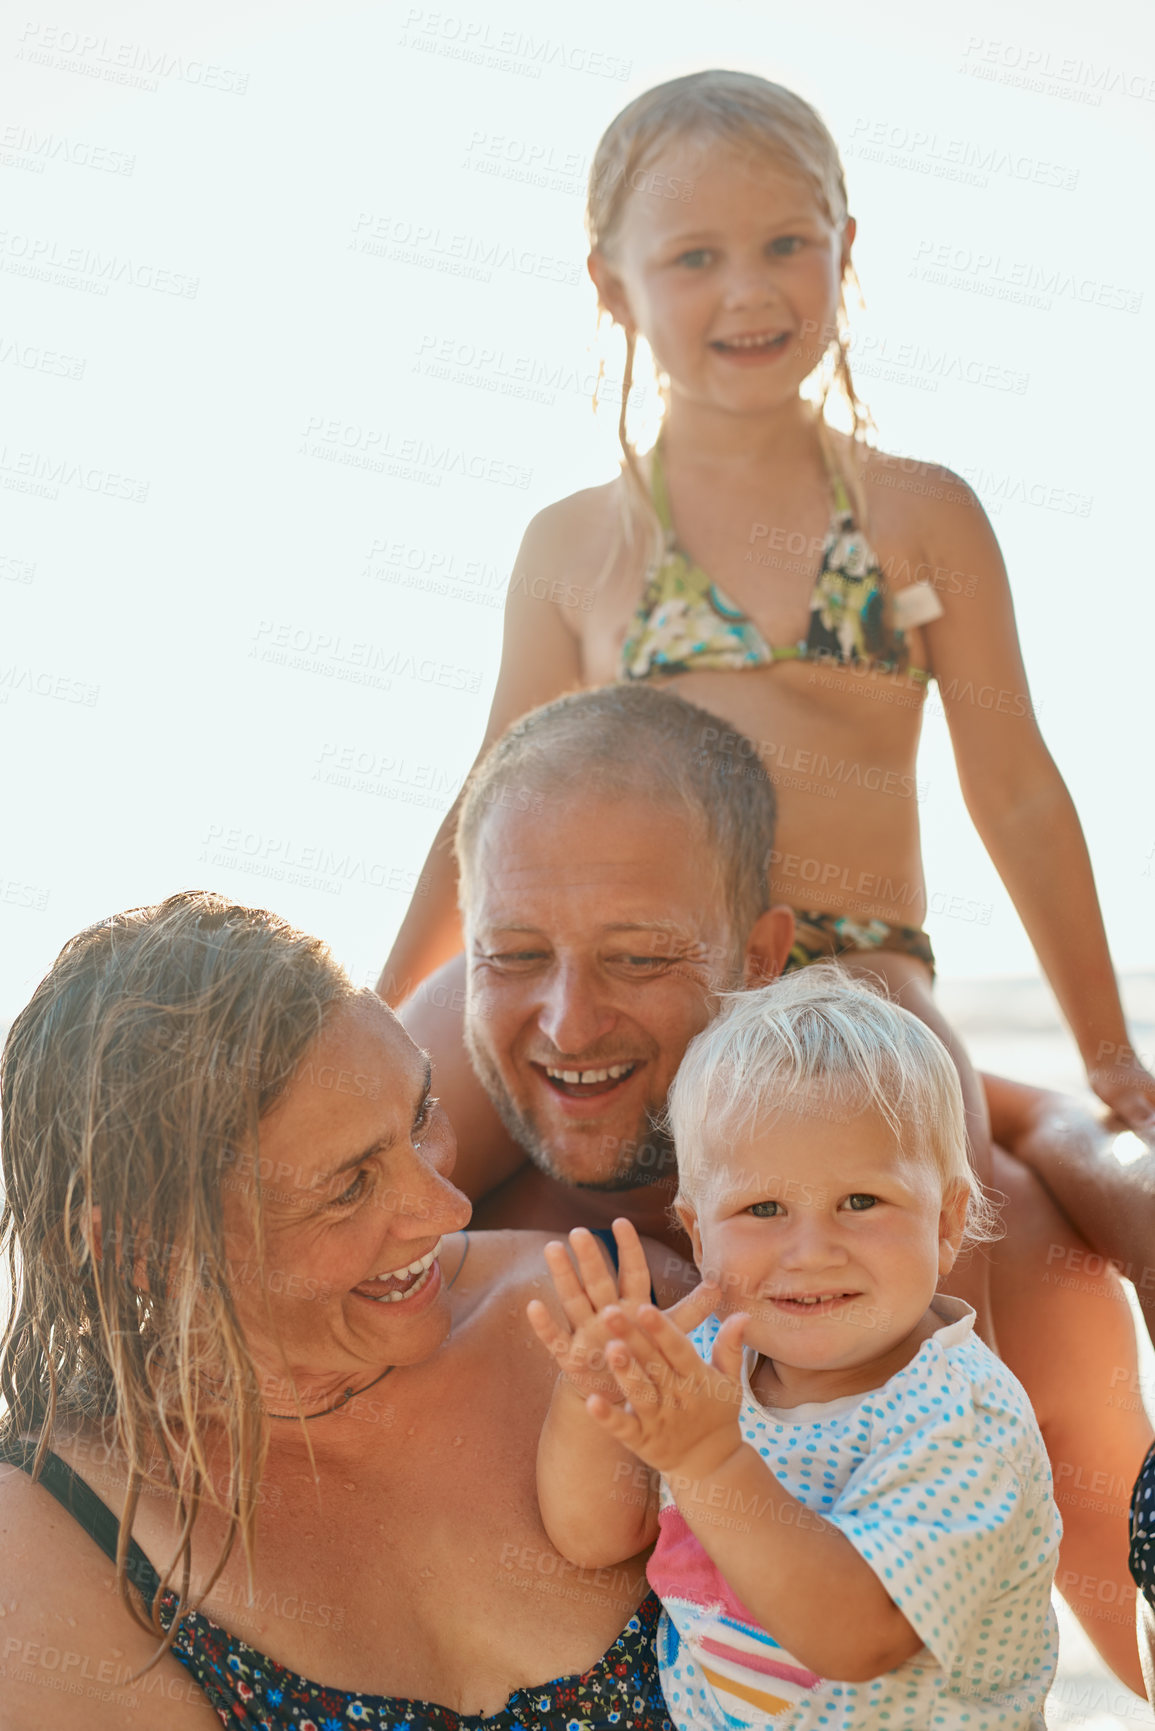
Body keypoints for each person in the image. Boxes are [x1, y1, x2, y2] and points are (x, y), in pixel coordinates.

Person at [377, 71, 1155, 1316]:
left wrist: (1107, 1046)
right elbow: (489, 802)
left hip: (855, 963)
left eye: (787, 243)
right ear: (612, 286)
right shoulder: (579, 544)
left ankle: (946, 1471)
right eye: (694, 256)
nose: (749, 287)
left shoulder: (916, 513)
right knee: (378, 1157)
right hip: (633, 957)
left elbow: (1015, 791)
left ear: (847, 252)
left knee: (933, 1227)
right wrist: (380, 1001)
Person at [397, 683, 1151, 1693]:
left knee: (1055, 1282)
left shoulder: (932, 1294)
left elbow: (1009, 1119)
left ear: (759, 956)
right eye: (513, 955)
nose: (569, 1023)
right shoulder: (441, 1095)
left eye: (640, 957)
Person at [0, 891, 690, 1729]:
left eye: (420, 1116)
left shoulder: (603, 1307)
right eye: (350, 1186)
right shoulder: (56, 1538)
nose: (446, 1208)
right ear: (141, 1250)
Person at [530, 969, 1062, 1728]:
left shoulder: (960, 1419)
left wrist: (708, 1461)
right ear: (698, 1228)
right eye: (763, 1207)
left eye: (860, 1201)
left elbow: (856, 1635)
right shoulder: (712, 1361)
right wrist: (592, 1399)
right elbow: (593, 1535)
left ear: (946, 1223)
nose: (811, 1251)